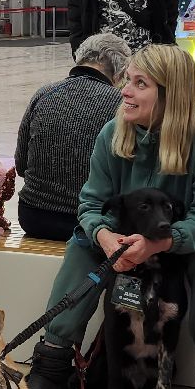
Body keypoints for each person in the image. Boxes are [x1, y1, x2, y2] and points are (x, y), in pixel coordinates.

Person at [21, 44, 195, 389]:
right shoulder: (113, 133)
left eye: (139, 83)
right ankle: (52, 366)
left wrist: (158, 245)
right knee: (83, 243)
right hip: (136, 229)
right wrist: (105, 237)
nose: (125, 91)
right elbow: (91, 204)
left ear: (170, 93)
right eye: (127, 80)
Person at [13, 32, 129, 241]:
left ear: (80, 57)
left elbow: (21, 165)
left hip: (33, 215)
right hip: (93, 222)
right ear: (120, 72)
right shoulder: (121, 104)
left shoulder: (44, 93)